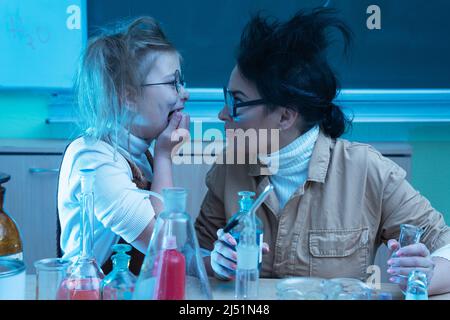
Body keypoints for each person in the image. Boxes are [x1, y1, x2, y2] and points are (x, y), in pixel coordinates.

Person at [194, 8, 450, 295]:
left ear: (285, 117)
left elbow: (446, 247)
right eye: (227, 98)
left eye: (237, 103)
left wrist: (424, 274)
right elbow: (192, 254)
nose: (221, 114)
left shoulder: (367, 171)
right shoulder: (230, 168)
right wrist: (214, 262)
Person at [58, 17, 190, 274]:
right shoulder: (92, 159)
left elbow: (180, 251)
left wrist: (214, 262)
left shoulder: (138, 154)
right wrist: (164, 157)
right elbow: (164, 244)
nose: (184, 93)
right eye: (172, 83)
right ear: (128, 96)